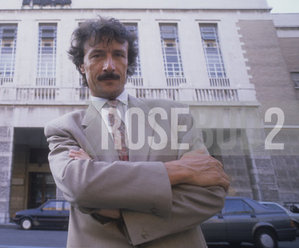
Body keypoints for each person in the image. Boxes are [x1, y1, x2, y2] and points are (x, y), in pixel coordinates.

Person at [45, 17, 230, 247]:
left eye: (118, 55)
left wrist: (116, 210)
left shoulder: (175, 116)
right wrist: (178, 171)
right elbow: (81, 186)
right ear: (82, 65)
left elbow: (210, 194)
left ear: (128, 62)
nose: (109, 66)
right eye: (97, 55)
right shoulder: (64, 129)